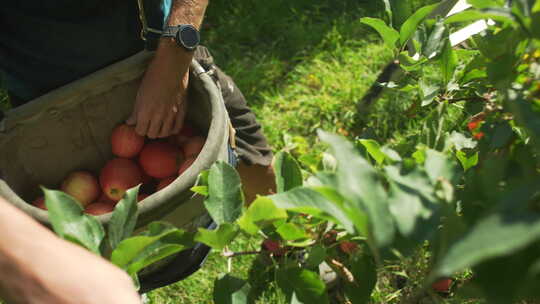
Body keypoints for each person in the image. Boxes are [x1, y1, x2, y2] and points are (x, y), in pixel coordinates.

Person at [0, 0, 276, 301]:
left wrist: (174, 55)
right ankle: (123, 285)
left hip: (156, 56)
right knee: (92, 247)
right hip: (46, 107)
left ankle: (293, 243)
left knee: (254, 164)